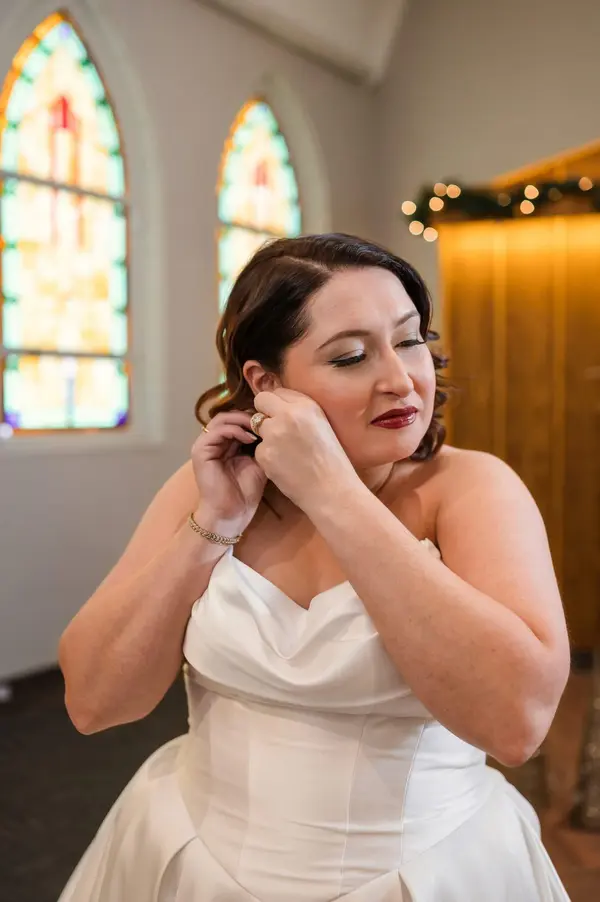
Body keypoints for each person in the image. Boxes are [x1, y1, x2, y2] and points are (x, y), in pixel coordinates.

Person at [57, 233, 571, 901]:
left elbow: (516, 724)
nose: (400, 379)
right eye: (351, 356)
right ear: (267, 384)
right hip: (194, 859)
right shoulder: (206, 489)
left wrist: (333, 492)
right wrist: (211, 526)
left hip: (421, 872)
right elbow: (94, 702)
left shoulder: (471, 488)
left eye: (410, 340)